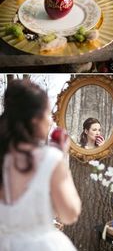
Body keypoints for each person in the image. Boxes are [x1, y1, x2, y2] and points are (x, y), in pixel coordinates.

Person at [0, 79, 81, 251]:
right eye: (48, 114)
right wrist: (61, 161)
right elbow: (69, 214)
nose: (50, 120)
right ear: (36, 120)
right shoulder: (50, 158)